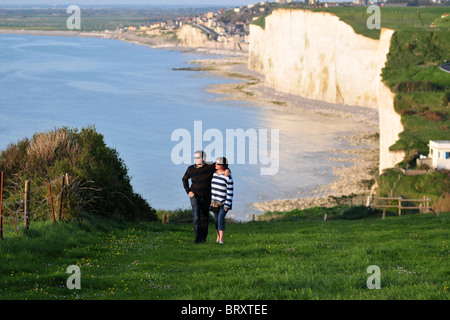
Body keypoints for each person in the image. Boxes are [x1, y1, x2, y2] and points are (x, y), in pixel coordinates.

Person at [182, 150, 229, 244]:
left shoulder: (211, 166)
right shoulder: (190, 169)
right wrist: (188, 191)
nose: (195, 159)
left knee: (204, 218)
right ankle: (197, 239)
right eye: (194, 157)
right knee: (196, 217)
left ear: (203, 158)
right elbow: (184, 179)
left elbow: (222, 164)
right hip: (195, 196)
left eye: (197, 157)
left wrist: (228, 170)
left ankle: (203, 239)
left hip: (207, 196)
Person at [210, 157, 233, 244]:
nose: (215, 165)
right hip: (214, 202)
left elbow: (230, 191)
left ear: (223, 166)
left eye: (218, 164)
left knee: (220, 218)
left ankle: (221, 240)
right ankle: (218, 237)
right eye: (216, 163)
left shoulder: (228, 176)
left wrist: (227, 204)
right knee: (216, 220)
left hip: (224, 202)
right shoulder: (214, 173)